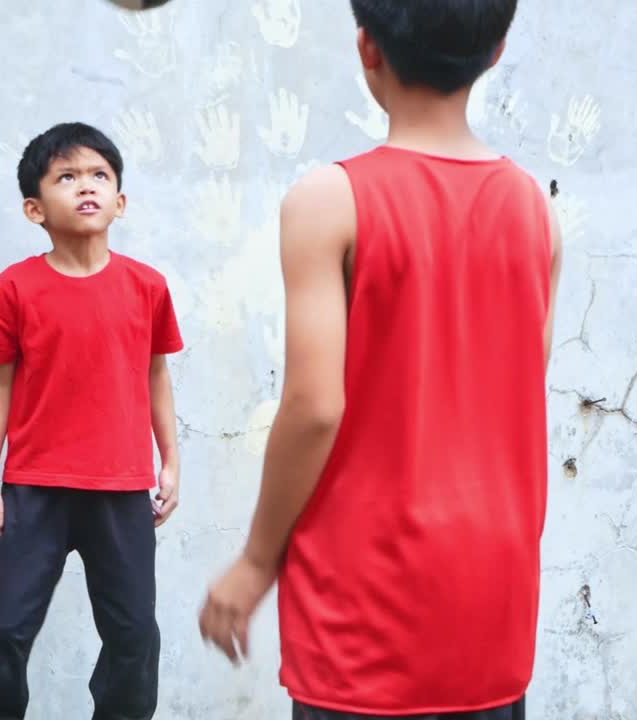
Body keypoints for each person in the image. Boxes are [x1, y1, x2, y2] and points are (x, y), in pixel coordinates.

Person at [199, 1, 562, 718]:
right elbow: (519, 390)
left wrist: (257, 561)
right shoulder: (534, 210)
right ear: (497, 50)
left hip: (363, 601)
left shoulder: (329, 201)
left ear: (367, 47)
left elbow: (314, 407)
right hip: (493, 596)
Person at [0, 122, 183, 720]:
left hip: (121, 489)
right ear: (34, 209)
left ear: (120, 200)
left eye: (99, 176)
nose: (86, 186)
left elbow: (155, 374)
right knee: (2, 629)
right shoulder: (16, 287)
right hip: (33, 489)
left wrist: (171, 461)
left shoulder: (147, 287)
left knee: (133, 637)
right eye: (66, 177)